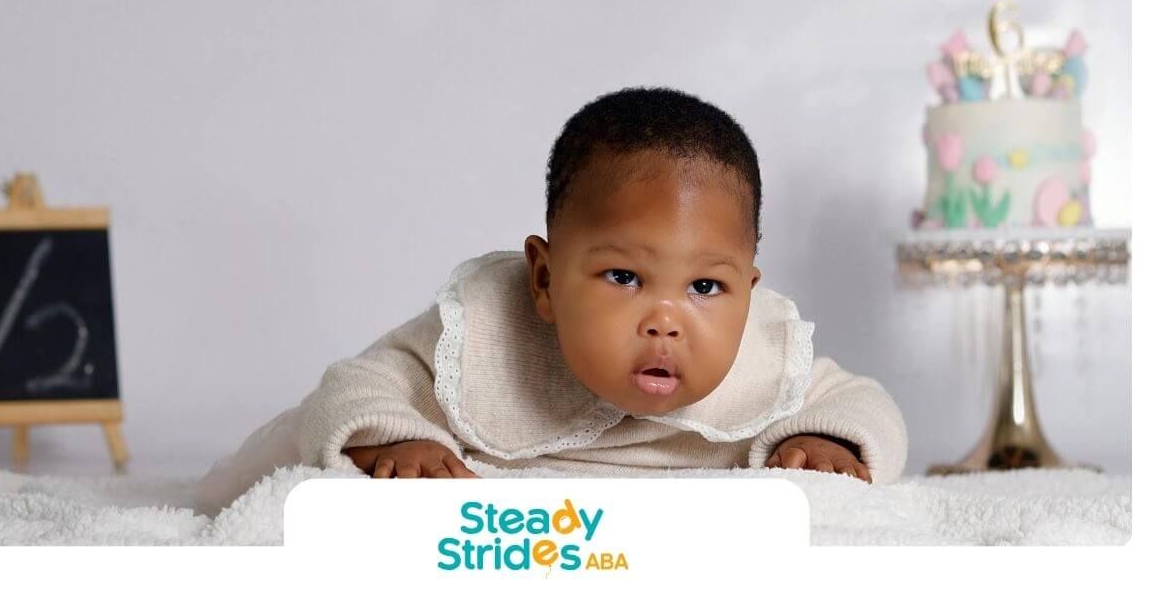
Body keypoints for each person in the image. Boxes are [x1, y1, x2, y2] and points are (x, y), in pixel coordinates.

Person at [194, 86, 908, 517]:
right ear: (542, 280)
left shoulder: (763, 357)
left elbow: (864, 402)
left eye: (705, 287)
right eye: (624, 276)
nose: (666, 318)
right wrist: (396, 435)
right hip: (505, 528)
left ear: (747, 293)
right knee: (270, 466)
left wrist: (830, 440)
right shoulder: (484, 334)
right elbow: (354, 384)